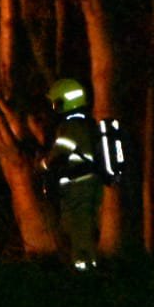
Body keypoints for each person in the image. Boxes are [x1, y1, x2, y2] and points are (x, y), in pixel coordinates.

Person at [42, 78, 103, 270]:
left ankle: (85, 273)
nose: (53, 107)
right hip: (89, 183)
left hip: (79, 186)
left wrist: (42, 164)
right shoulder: (88, 123)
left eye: (55, 102)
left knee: (79, 230)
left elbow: (58, 154)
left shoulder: (70, 127)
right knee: (82, 228)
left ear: (63, 102)